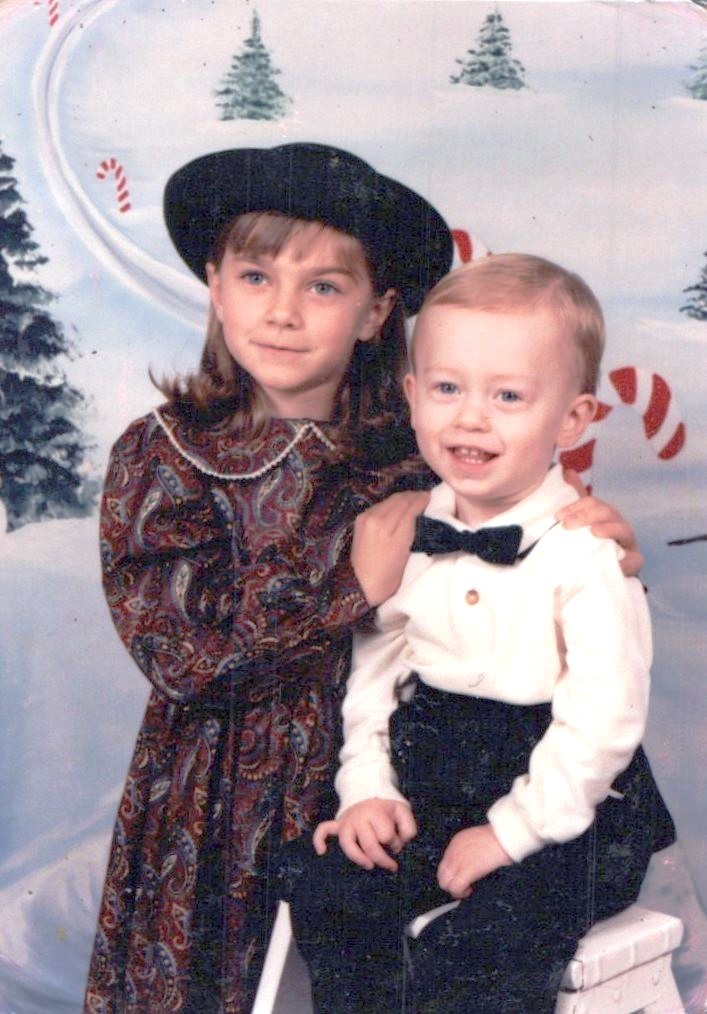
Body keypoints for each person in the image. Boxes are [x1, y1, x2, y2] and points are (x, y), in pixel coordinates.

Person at [84, 144, 644, 1013]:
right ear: (215, 286)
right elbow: (179, 655)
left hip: (393, 771)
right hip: (221, 784)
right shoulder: (163, 456)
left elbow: (521, 563)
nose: (282, 312)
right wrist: (350, 586)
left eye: (322, 286)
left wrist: (598, 537)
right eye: (255, 277)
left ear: (377, 311)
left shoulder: (417, 447)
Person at [280, 254, 675, 1013]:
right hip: (433, 781)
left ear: (572, 420)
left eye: (508, 396)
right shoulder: (407, 531)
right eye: (447, 389)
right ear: (412, 396)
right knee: (333, 886)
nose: (470, 418)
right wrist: (367, 790)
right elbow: (372, 680)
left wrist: (509, 834)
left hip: (572, 809)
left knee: (482, 945)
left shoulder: (585, 555)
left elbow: (602, 725)